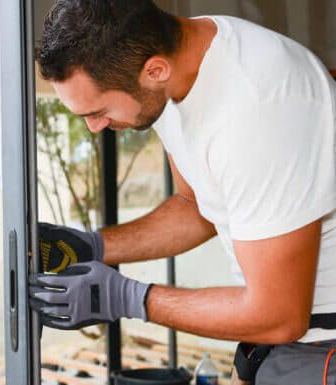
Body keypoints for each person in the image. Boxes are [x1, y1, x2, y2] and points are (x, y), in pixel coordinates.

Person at [28, 1, 336, 384]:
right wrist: (91, 246)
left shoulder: (259, 108)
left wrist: (128, 297)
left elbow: (279, 315)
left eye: (98, 110)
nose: (94, 127)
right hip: (279, 342)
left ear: (154, 70)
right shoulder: (172, 73)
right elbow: (197, 207)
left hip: (321, 348)